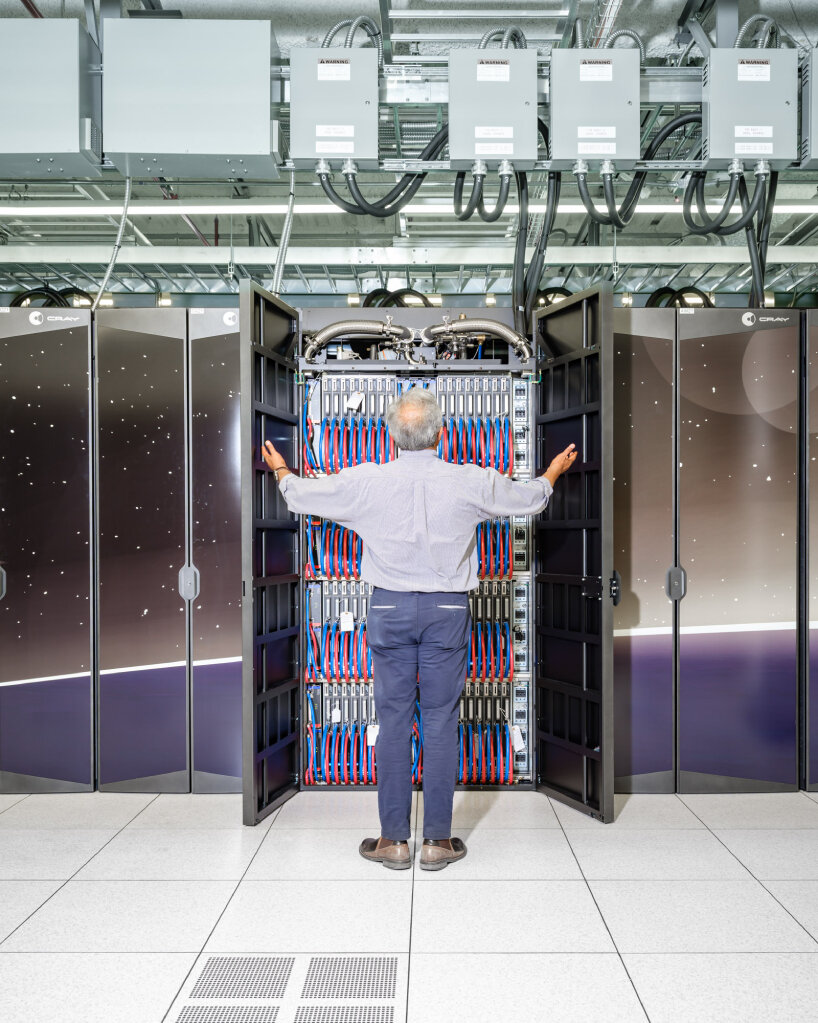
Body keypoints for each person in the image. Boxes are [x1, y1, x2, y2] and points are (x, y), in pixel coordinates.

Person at [262, 388, 576, 871]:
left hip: (388, 609)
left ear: (389, 436)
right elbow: (530, 498)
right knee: (440, 721)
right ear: (443, 434)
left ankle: (392, 842)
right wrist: (553, 471)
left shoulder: (367, 480)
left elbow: (302, 495)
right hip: (447, 611)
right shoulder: (468, 480)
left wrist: (282, 469)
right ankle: (436, 842)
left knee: (392, 722)